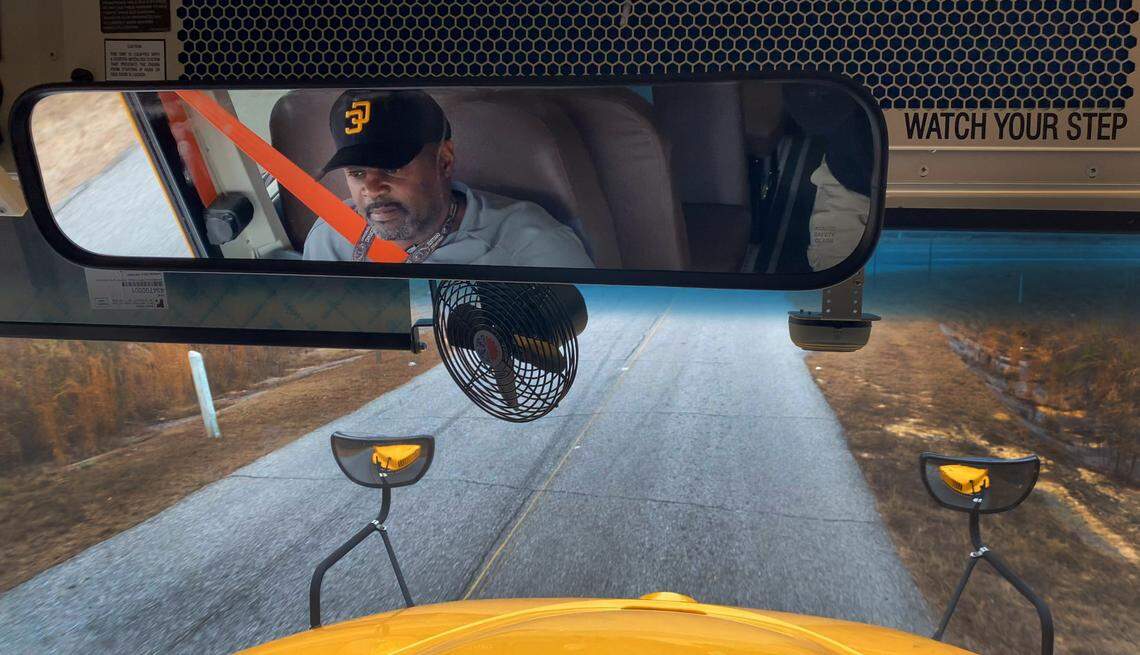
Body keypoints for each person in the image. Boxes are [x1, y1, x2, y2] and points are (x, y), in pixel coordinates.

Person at [303, 90, 594, 268]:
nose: (371, 188)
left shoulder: (530, 245)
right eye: (356, 173)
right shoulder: (331, 238)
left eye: (391, 168)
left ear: (444, 159)